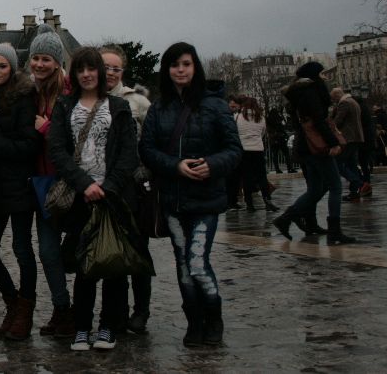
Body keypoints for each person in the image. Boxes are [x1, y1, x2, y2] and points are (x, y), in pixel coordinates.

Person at [140, 42, 242, 347]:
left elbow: (234, 149)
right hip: (173, 197)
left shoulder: (215, 106)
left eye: (186, 64)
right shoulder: (159, 108)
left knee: (197, 262)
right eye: (174, 65)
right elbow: (147, 150)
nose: (180, 70)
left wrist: (212, 165)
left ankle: (214, 317)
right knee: (184, 266)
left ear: (195, 67)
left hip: (205, 197)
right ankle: (194, 321)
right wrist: (175, 166)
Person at [48, 47, 139, 351]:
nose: (86, 74)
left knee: (113, 265)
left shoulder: (119, 107)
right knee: (84, 266)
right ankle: (82, 326)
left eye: (91, 69)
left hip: (112, 197)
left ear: (100, 71)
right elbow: (57, 150)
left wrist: (107, 188)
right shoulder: (64, 105)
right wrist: (85, 184)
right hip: (80, 197)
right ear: (74, 74)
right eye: (80, 69)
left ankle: (108, 326)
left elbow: (128, 154)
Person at [0, 43, 40, 341]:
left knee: (22, 251)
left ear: (12, 68)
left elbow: (29, 146)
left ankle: (25, 313)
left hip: (20, 186)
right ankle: (13, 303)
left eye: (2, 66)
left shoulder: (25, 98)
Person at [273, 63, 356, 246]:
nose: (325, 76)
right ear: (314, 75)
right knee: (335, 186)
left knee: (315, 189)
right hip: (318, 146)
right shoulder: (311, 92)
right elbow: (319, 121)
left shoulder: (297, 93)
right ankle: (334, 231)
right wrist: (333, 143)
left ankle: (286, 218)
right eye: (322, 73)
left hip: (305, 146)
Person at [101, 46, 153, 334]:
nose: (110, 73)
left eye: (115, 68)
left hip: (134, 186)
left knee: (138, 249)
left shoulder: (137, 101)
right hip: (105, 187)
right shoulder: (90, 99)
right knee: (112, 252)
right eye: (105, 67)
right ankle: (117, 312)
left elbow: (152, 140)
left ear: (123, 71)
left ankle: (141, 309)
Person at [27, 26, 74, 338]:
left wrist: (45, 129)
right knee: (47, 251)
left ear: (58, 62)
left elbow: (73, 139)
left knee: (80, 250)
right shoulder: (32, 94)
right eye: (35, 58)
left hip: (69, 182)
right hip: (43, 184)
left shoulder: (70, 94)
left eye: (46, 59)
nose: (39, 64)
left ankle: (86, 310)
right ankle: (62, 308)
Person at [234, 96, 277, 212]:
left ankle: (249, 204)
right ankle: (267, 201)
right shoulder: (261, 117)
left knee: (246, 177)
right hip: (258, 149)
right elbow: (263, 132)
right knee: (262, 176)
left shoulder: (238, 117)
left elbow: (235, 132)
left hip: (244, 149)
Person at [330, 87, 365, 202]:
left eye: (333, 99)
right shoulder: (353, 102)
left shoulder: (344, 103)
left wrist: (330, 127)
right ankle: (354, 193)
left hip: (348, 138)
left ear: (337, 96)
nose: (333, 101)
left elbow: (338, 121)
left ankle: (357, 182)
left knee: (337, 163)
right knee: (351, 164)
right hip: (356, 137)